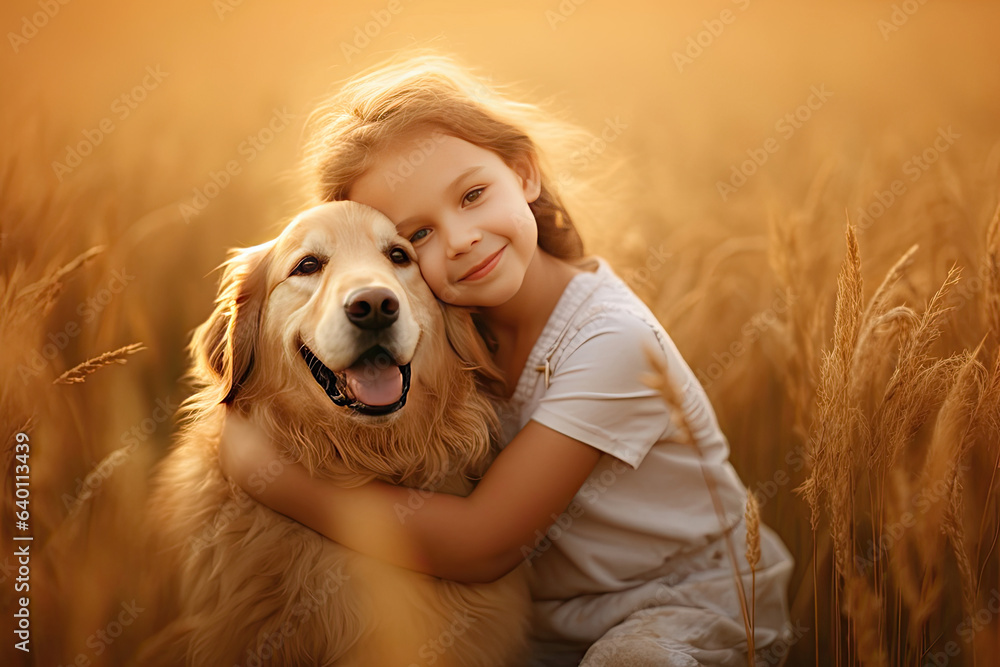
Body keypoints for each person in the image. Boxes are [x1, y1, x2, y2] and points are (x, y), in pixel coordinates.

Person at [219, 50, 794, 666]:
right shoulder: (441, 335)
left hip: (675, 609)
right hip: (539, 627)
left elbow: (481, 544)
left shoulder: (614, 344)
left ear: (523, 173)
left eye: (472, 194)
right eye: (415, 236)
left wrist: (270, 476)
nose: (461, 239)